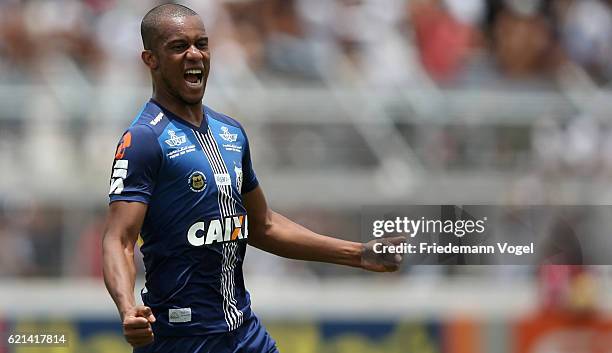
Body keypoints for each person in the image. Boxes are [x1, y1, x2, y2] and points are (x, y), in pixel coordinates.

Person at [102, 4, 403, 353]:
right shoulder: (143, 140)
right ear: (150, 59)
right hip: (180, 339)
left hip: (243, 334)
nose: (194, 54)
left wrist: (359, 254)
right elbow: (119, 238)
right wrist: (127, 308)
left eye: (202, 43)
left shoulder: (230, 132)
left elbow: (264, 225)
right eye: (178, 46)